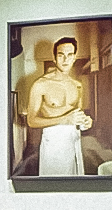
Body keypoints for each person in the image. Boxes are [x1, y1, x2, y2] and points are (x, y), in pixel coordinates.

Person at [25, 37, 91, 175]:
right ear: (54, 58)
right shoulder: (40, 85)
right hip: (53, 145)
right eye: (61, 55)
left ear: (74, 58)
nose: (65, 59)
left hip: (74, 141)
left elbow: (77, 115)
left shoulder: (77, 85)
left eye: (70, 55)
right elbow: (31, 121)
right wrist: (64, 120)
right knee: (53, 187)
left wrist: (86, 122)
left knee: (75, 186)